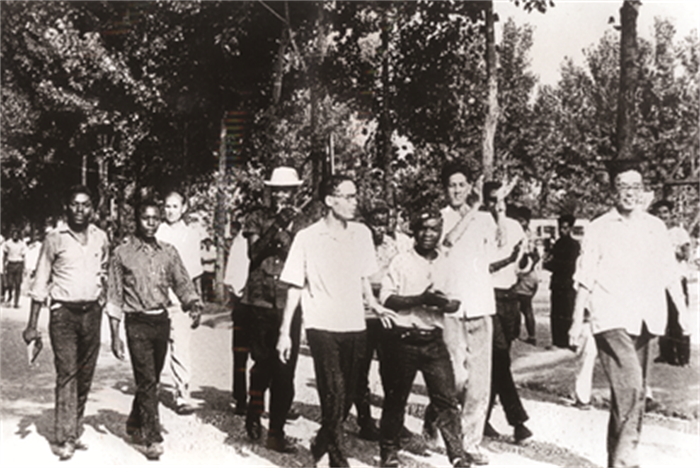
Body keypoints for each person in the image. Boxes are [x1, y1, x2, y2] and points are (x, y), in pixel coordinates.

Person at [569, 168, 688, 468]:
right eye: (623, 186)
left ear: (643, 190)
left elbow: (670, 273)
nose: (629, 192)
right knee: (632, 387)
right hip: (611, 316)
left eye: (635, 186)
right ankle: (626, 461)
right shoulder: (599, 227)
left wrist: (682, 312)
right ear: (613, 191)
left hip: (647, 317)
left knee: (631, 393)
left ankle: (617, 458)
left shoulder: (655, 227)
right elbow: (585, 276)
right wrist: (575, 319)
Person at [276, 174, 394, 468]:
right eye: (349, 196)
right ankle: (338, 462)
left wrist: (373, 303)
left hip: (355, 324)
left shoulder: (362, 234)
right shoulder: (307, 238)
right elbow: (295, 286)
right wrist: (285, 332)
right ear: (330, 200)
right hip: (321, 326)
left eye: (355, 195)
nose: (355, 202)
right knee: (333, 393)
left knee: (349, 396)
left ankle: (321, 441)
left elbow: (364, 276)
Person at [107, 198, 203, 460]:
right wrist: (115, 335)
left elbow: (182, 282)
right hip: (136, 322)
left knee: (151, 379)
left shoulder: (168, 252)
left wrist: (193, 303)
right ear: (136, 220)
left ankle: (134, 421)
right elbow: (114, 296)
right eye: (145, 218)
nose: (150, 223)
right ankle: (153, 438)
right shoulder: (121, 253)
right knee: (147, 379)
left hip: (161, 320)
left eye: (155, 218)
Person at [21, 185, 109, 461]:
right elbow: (40, 282)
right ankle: (65, 437)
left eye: (85, 204)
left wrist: (103, 298)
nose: (80, 209)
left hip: (92, 313)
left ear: (93, 208)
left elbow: (105, 271)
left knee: (85, 374)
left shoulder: (101, 237)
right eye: (75, 204)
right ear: (66, 207)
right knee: (67, 372)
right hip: (63, 315)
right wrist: (32, 325)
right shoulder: (54, 239)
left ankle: (74, 427)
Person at [378, 209, 468, 468]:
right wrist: (420, 299)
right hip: (404, 339)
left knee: (446, 399)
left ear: (441, 231)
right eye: (423, 228)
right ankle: (389, 452)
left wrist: (440, 302)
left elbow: (455, 303)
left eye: (434, 229)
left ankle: (457, 455)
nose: (429, 234)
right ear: (414, 231)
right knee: (396, 399)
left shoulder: (446, 262)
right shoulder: (401, 261)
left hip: (434, 341)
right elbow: (387, 298)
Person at [429, 161, 498, 466]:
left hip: (480, 304)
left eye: (461, 185)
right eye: (451, 185)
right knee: (455, 377)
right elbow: (447, 242)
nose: (457, 190)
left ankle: (470, 442)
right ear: (445, 189)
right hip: (451, 307)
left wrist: (495, 207)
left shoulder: (485, 219)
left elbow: (498, 249)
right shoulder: (439, 218)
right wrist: (475, 208)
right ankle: (436, 414)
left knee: (479, 382)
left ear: (470, 186)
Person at [240, 166, 304, 453]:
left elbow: (304, 259)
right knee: (263, 364)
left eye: (286, 190)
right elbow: (254, 253)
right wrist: (277, 226)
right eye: (276, 190)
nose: (281, 195)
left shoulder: (303, 222)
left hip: (289, 302)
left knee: (285, 370)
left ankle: (276, 432)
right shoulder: (257, 217)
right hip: (260, 302)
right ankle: (254, 412)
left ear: (295, 192)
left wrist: (289, 229)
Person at [482, 182, 533, 445]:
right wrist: (509, 259)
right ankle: (518, 422)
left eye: (501, 200)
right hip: (487, 298)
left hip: (510, 298)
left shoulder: (514, 226)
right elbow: (482, 267)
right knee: (499, 358)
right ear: (484, 201)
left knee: (499, 362)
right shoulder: (479, 226)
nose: (497, 206)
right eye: (492, 200)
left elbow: (523, 265)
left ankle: (482, 418)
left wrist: (525, 260)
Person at [347, 204, 402, 442]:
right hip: (362, 313)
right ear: (367, 223)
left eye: (384, 222)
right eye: (375, 223)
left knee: (392, 370)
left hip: (388, 313)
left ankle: (393, 422)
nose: (379, 228)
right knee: (360, 370)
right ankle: (365, 420)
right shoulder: (357, 243)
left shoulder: (394, 245)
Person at [155, 190, 203, 415]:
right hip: (157, 299)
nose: (170, 211)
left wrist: (197, 302)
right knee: (156, 346)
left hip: (181, 300)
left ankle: (182, 394)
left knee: (181, 347)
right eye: (167, 206)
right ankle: (151, 389)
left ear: (184, 208)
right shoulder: (157, 232)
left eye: (175, 206)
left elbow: (195, 271)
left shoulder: (191, 235)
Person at [650, 200, 691, 366]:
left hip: (676, 278)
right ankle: (666, 353)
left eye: (665, 212)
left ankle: (682, 355)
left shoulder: (678, 232)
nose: (662, 216)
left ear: (670, 214)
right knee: (663, 315)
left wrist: (673, 251)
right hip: (659, 279)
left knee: (679, 315)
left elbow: (686, 255)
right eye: (659, 213)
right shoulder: (653, 233)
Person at [223, 222, 251, 415]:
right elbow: (231, 277)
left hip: (266, 303)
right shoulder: (240, 241)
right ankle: (240, 397)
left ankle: (279, 399)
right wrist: (239, 293)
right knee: (241, 353)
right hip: (244, 303)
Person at [543, 214, 580, 348]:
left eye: (565, 228)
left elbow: (570, 265)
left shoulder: (574, 245)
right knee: (556, 313)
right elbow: (547, 263)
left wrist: (554, 264)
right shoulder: (557, 244)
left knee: (567, 312)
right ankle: (557, 341)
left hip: (568, 283)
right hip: (557, 283)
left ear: (570, 229)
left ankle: (568, 341)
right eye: (560, 228)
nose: (562, 231)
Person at [510, 206, 540, 346]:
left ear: (527, 221)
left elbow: (533, 256)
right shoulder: (528, 234)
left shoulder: (526, 236)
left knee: (522, 307)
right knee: (523, 307)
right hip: (527, 275)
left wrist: (525, 268)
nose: (519, 223)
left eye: (521, 220)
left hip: (525, 276)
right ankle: (529, 335)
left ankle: (520, 334)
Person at [4, 229, 27, 308]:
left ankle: (16, 302)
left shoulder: (22, 244)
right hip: (10, 264)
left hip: (18, 264)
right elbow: (5, 255)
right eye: (14, 235)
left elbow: (24, 256)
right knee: (10, 283)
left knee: (18, 284)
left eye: (17, 235)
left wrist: (24, 267)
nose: (15, 236)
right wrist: (4, 266)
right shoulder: (8, 243)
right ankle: (10, 296)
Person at [200, 237, 216, 303]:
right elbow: (202, 260)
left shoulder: (213, 249)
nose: (207, 244)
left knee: (210, 285)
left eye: (209, 243)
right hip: (204, 270)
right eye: (206, 243)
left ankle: (211, 299)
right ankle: (203, 298)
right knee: (203, 285)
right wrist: (208, 261)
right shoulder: (202, 251)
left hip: (211, 270)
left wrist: (207, 261)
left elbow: (214, 259)